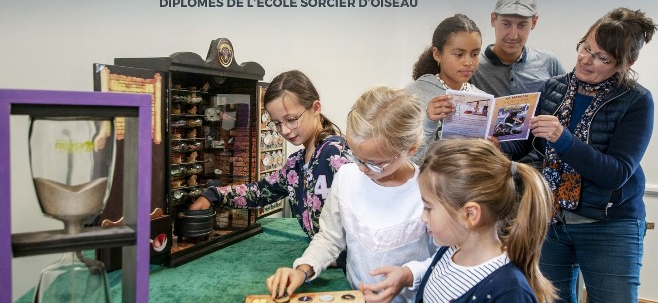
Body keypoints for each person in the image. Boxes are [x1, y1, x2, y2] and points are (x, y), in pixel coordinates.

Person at [501, 7, 656, 302]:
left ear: (626, 64)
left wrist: (564, 139)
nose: (587, 60)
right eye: (586, 48)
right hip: (552, 219)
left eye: (603, 58)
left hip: (610, 225)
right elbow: (529, 143)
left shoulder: (637, 101)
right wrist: (501, 145)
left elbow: (616, 173)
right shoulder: (553, 88)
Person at [266, 86, 434, 303]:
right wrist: (302, 269)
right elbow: (329, 238)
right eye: (356, 156)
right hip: (355, 296)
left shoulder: (428, 190)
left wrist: (410, 275)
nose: (362, 168)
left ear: (411, 149)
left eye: (375, 164)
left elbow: (446, 258)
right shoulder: (347, 176)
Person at [360, 139, 556, 303]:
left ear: (470, 215)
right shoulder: (449, 252)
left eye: (428, 208)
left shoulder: (510, 291)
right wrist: (407, 275)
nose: (423, 217)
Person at [189, 70, 350, 241]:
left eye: (292, 119)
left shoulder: (336, 152)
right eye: (277, 123)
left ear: (315, 108)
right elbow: (260, 192)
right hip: (322, 259)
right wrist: (213, 195)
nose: (285, 130)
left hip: (347, 263)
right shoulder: (295, 165)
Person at [406, 14, 484, 164]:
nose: (468, 62)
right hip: (424, 184)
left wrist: (489, 149)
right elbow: (403, 162)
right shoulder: (413, 95)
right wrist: (429, 122)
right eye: (459, 54)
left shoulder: (481, 98)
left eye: (475, 54)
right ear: (437, 54)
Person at [470, 0, 565, 98]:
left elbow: (569, 104)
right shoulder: (472, 66)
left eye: (522, 25)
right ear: (493, 19)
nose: (513, 35)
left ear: (534, 22)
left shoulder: (550, 63)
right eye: (506, 24)